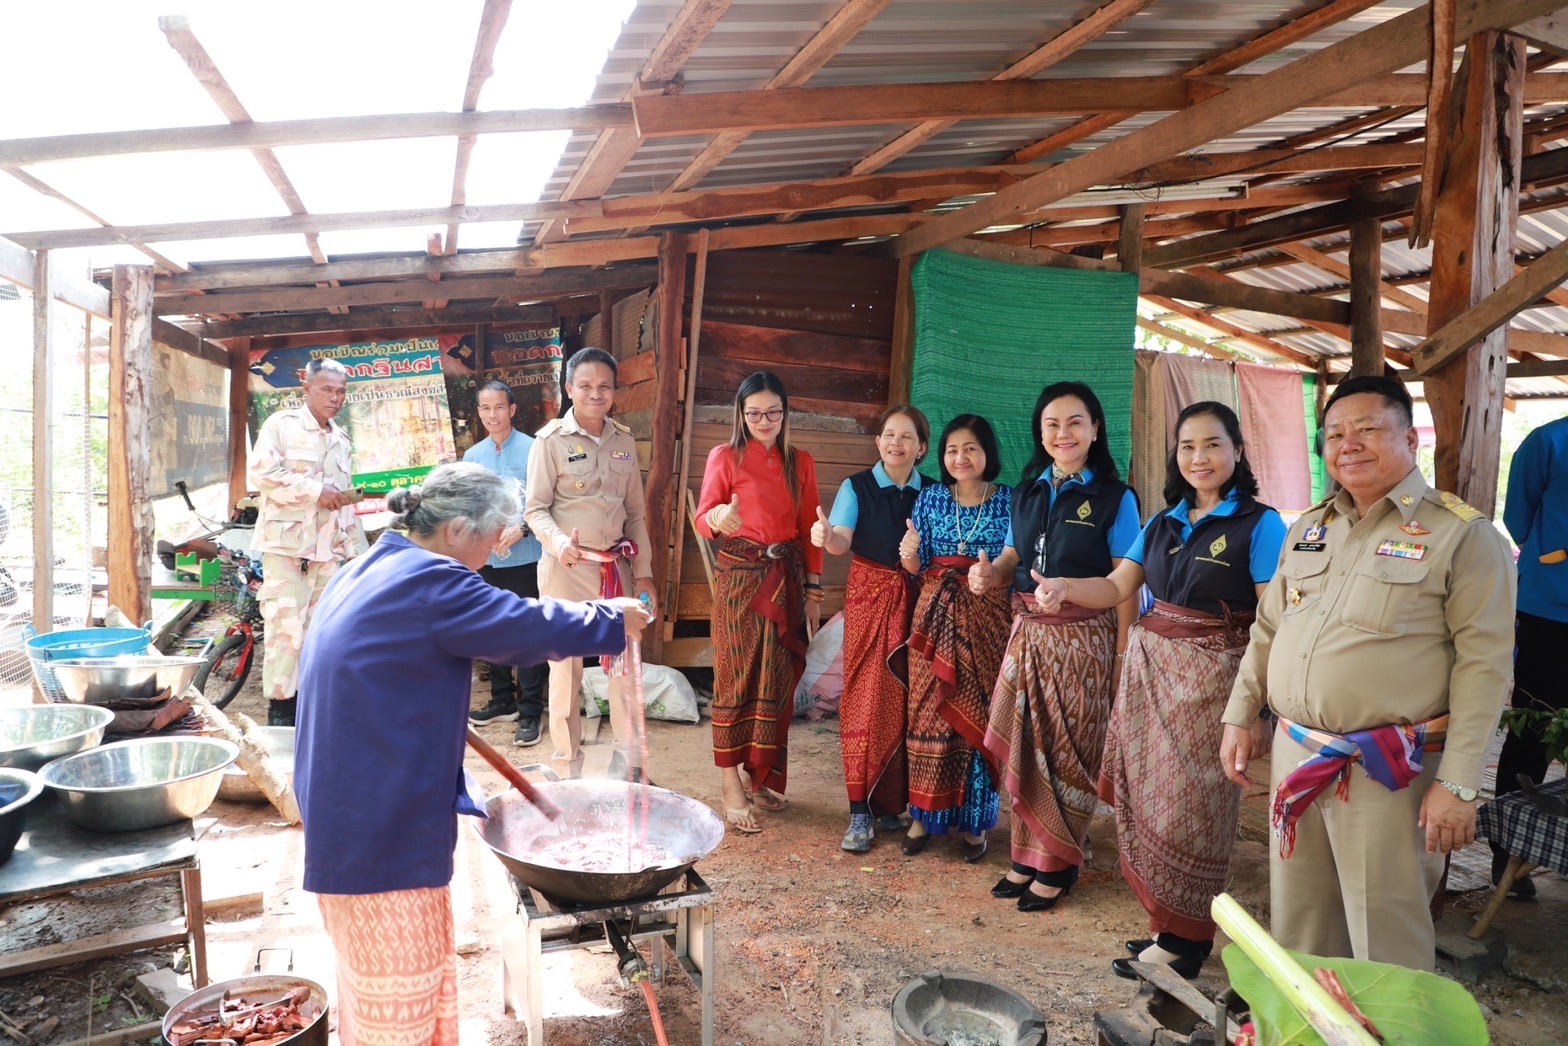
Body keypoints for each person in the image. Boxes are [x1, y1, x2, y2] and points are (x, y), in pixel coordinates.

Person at [294, 463, 649, 1046]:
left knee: (384, 989)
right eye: (489, 541)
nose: (490, 557)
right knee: (397, 1012)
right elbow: (523, 626)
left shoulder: (369, 565)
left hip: (349, 809)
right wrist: (611, 618)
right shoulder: (434, 581)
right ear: (457, 529)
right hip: (378, 828)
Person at [1221, 374, 1515, 971]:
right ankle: (1313, 1019)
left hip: (1387, 769)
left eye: (1367, 429)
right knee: (1301, 923)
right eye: (1334, 434)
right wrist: (1240, 713)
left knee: (1385, 935)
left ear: (1410, 438)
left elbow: (1484, 669)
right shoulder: (1310, 527)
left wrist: (1458, 784)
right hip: (1297, 754)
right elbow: (1268, 629)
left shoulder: (1461, 534)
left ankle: (1392, 1023)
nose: (1348, 444)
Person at [1031, 402, 1285, 977]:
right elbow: (1116, 585)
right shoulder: (1164, 522)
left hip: (1213, 691)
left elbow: (1272, 624)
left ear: (1238, 451)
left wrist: (1259, 709)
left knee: (1193, 812)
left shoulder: (1260, 525)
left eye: (1213, 444)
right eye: (1188, 446)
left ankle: (1187, 941)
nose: (1200, 457)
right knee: (1149, 801)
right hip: (1151, 684)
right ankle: (1165, 927)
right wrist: (1065, 587)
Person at [975, 382, 1140, 912]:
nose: (1063, 433)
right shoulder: (1026, 492)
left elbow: (1125, 583)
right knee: (1027, 746)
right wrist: (990, 574)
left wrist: (1121, 655)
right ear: (1040, 433)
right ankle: (1026, 858)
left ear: (1095, 429)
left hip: (1084, 640)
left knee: (1068, 753)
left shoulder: (1116, 497)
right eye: (1052, 424)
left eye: (1074, 422)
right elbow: (1011, 559)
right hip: (1029, 634)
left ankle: (1060, 862)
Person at [695, 371, 823, 834]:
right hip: (739, 578)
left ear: (785, 413)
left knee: (776, 678)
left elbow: (810, 531)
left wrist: (813, 592)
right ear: (741, 414)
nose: (764, 421)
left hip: (786, 578)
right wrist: (719, 516)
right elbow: (703, 519)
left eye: (773, 412)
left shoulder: (800, 462)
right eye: (754, 414)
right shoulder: (724, 456)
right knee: (735, 678)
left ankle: (760, 774)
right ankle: (730, 781)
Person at [525, 347, 658, 780]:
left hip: (614, 571)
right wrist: (559, 542)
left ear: (615, 391)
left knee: (624, 670)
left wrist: (644, 575)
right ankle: (568, 770)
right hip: (566, 570)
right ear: (569, 389)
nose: (595, 393)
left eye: (604, 386)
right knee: (566, 673)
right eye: (585, 385)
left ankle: (629, 767)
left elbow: (635, 515)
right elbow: (535, 509)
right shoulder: (549, 442)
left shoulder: (623, 440)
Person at [812, 404, 933, 852]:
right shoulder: (856, 486)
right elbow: (842, 539)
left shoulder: (934, 493)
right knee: (864, 697)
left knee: (909, 701)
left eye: (906, 437)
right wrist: (828, 536)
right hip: (870, 598)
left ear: (921, 448)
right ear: (878, 441)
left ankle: (893, 804)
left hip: (918, 601)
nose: (896, 443)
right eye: (889, 435)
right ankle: (859, 810)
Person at [897, 414, 1013, 863]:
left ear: (987, 453)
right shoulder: (929, 498)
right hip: (933, 617)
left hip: (987, 619)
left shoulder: (1009, 501)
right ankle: (923, 816)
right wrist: (908, 554)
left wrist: (989, 574)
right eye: (951, 450)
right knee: (926, 712)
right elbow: (916, 565)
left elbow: (1014, 564)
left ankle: (975, 823)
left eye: (970, 449)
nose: (960, 458)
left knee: (979, 714)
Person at [248, 357, 368, 727]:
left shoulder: (340, 439)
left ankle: (313, 713)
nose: (335, 398)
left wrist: (357, 554)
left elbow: (343, 503)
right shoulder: (282, 426)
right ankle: (282, 715)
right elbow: (262, 474)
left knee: (322, 636)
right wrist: (315, 490)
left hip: (327, 555)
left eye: (341, 391)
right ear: (307, 388)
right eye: (327, 389)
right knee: (285, 634)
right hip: (287, 552)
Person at [1493, 412, 1568, 898]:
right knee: (1535, 729)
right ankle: (1507, 852)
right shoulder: (1550, 441)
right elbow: (1519, 518)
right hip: (1552, 609)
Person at [463, 380, 548, 747]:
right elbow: (470, 506)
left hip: (526, 557)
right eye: (485, 408)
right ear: (479, 412)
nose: (492, 414)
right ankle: (503, 700)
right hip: (487, 560)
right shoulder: (472, 457)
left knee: (528, 632)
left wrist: (523, 528)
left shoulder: (534, 449)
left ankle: (530, 711)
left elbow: (548, 499)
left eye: (499, 407)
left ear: (512, 410)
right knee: (491, 629)